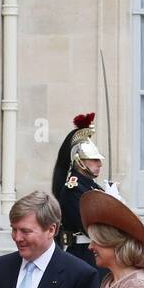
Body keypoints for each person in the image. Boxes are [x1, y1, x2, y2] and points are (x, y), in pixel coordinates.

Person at [52, 113, 124, 270]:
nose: (100, 164)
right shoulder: (73, 189)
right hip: (83, 255)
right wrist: (110, 204)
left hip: (97, 254)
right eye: (94, 159)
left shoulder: (91, 186)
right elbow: (91, 228)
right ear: (79, 161)